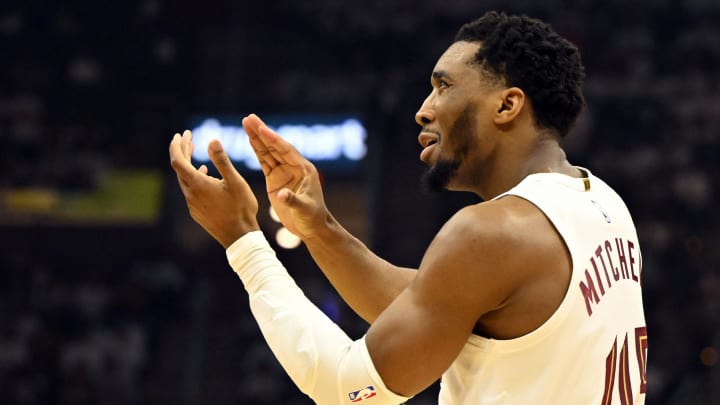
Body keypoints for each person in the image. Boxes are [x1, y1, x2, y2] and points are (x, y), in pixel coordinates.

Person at [170, 11, 648, 405]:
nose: (424, 109)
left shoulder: (491, 233)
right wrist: (320, 226)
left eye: (444, 86)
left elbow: (343, 386)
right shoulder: (603, 202)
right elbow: (437, 298)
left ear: (507, 106)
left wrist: (243, 241)